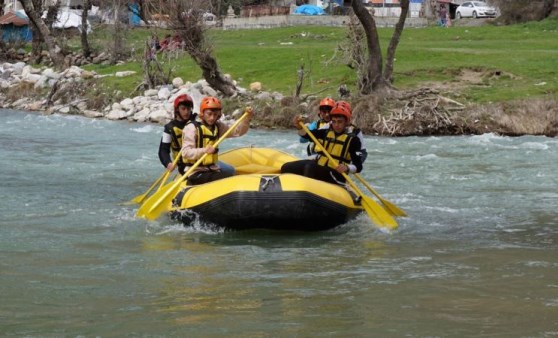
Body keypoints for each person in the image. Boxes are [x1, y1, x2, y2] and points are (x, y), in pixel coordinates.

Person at [281, 102, 362, 185]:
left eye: (339, 122)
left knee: (310, 168)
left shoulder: (353, 140)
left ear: (346, 122)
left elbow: (358, 166)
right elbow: (307, 135)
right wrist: (299, 127)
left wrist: (347, 168)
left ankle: (306, 191)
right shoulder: (325, 132)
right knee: (286, 167)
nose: (336, 125)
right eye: (334, 122)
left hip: (337, 175)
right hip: (321, 166)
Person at [181, 96, 253, 185]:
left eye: (215, 115)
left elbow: (237, 132)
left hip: (212, 169)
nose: (212, 118)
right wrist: (204, 150)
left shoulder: (218, 126)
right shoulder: (191, 128)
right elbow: (185, 153)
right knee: (228, 177)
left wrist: (246, 119)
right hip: (195, 172)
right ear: (202, 113)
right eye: (209, 114)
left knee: (231, 171)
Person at [158, 94, 196, 176]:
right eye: (183, 109)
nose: (186, 112)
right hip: (184, 165)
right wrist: (168, 163)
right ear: (177, 110)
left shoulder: (196, 122)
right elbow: (163, 150)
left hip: (199, 161)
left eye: (188, 109)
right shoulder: (169, 129)